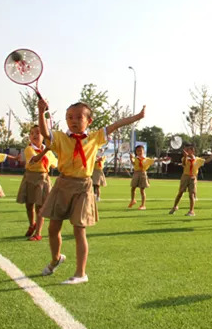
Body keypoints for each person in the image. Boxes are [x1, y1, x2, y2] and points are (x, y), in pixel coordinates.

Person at [36, 97, 145, 285]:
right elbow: (44, 132)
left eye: (79, 117)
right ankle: (56, 259)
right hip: (62, 185)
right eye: (69, 117)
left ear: (89, 121)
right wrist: (41, 112)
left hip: (83, 186)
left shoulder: (95, 138)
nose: (73, 120)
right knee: (53, 228)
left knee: (79, 230)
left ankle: (80, 273)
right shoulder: (61, 137)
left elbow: (115, 125)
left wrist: (137, 117)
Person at [17, 126, 57, 241]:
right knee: (29, 204)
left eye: (38, 133)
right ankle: (32, 224)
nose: (34, 135)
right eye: (32, 133)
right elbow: (34, 159)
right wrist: (47, 150)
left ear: (43, 136)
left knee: (40, 207)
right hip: (30, 177)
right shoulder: (29, 149)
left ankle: (38, 232)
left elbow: (55, 164)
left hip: (43, 179)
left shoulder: (49, 152)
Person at [169, 143, 212, 217]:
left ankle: (191, 211)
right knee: (180, 193)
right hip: (185, 177)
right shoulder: (184, 158)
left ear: (192, 151)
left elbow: (208, 160)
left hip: (193, 177)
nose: (186, 151)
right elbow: (183, 164)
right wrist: (185, 157)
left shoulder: (198, 160)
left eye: (188, 150)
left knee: (192, 194)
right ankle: (175, 207)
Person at [129, 145, 156, 210]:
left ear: (143, 151)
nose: (139, 152)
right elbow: (134, 163)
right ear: (136, 152)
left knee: (142, 190)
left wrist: (162, 159)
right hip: (136, 173)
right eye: (138, 151)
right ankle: (133, 200)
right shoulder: (136, 158)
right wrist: (131, 159)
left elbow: (153, 161)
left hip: (142, 174)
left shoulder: (146, 159)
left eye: (141, 150)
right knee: (133, 188)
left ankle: (143, 205)